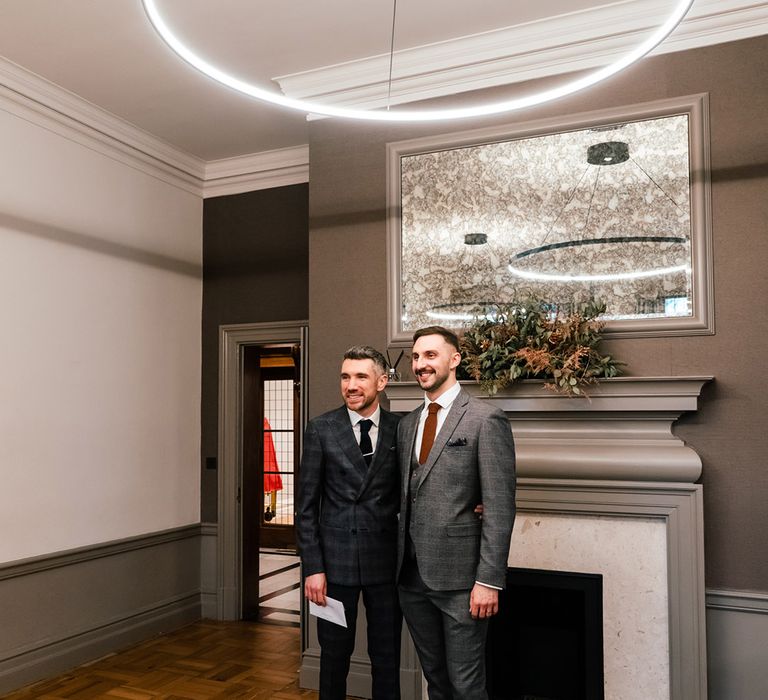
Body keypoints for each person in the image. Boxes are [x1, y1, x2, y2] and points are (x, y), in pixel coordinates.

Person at [396, 326, 516, 700]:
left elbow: (499, 506)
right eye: (416, 357)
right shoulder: (406, 423)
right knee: (436, 680)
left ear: (455, 360)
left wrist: (489, 581)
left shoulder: (484, 419)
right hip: (411, 578)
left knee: (466, 685)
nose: (420, 364)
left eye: (430, 355)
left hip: (463, 582)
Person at [297, 345, 402, 700]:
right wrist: (313, 568)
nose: (351, 385)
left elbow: (420, 489)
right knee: (333, 656)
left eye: (360, 376)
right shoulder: (321, 429)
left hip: (386, 566)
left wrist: (472, 503)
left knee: (387, 657)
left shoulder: (401, 429)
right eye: (345, 376)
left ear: (382, 382)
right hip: (333, 567)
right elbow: (306, 507)